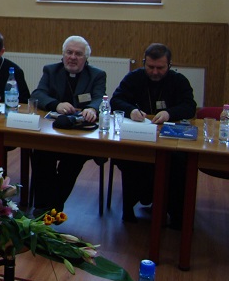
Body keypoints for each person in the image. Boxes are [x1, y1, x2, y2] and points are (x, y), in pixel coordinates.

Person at [111, 43, 196, 227]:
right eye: (150, 67)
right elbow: (116, 100)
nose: (155, 72)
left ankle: (174, 212)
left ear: (169, 65)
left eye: (160, 68)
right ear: (144, 62)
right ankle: (131, 208)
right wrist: (131, 110)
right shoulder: (134, 78)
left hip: (170, 139)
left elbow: (190, 106)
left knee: (179, 162)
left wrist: (169, 113)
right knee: (130, 158)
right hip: (140, 137)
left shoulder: (178, 80)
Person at [30, 35, 106, 214]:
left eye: (78, 54)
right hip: (52, 131)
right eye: (69, 52)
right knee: (40, 153)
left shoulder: (97, 75)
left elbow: (99, 98)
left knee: (73, 158)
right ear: (63, 54)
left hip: (79, 134)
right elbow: (38, 94)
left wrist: (92, 109)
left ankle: (53, 206)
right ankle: (42, 206)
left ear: (86, 58)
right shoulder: (51, 70)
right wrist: (56, 104)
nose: (72, 57)